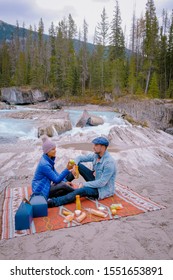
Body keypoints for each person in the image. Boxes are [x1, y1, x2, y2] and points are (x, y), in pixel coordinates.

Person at [48, 136, 117, 207]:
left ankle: (54, 202)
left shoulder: (109, 163)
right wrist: (75, 166)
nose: (93, 147)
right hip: (95, 179)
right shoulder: (96, 155)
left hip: (102, 190)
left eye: (96, 145)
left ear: (103, 147)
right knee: (79, 166)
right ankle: (63, 185)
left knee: (81, 191)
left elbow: (102, 183)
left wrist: (84, 184)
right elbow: (80, 158)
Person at [31, 135, 75, 200]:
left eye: (55, 149)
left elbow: (55, 173)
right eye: (53, 149)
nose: (55, 151)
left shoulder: (48, 160)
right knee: (63, 185)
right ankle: (77, 192)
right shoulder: (44, 164)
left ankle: (68, 192)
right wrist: (67, 169)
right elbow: (56, 180)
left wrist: (66, 181)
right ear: (47, 151)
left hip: (47, 186)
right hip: (40, 190)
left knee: (69, 176)